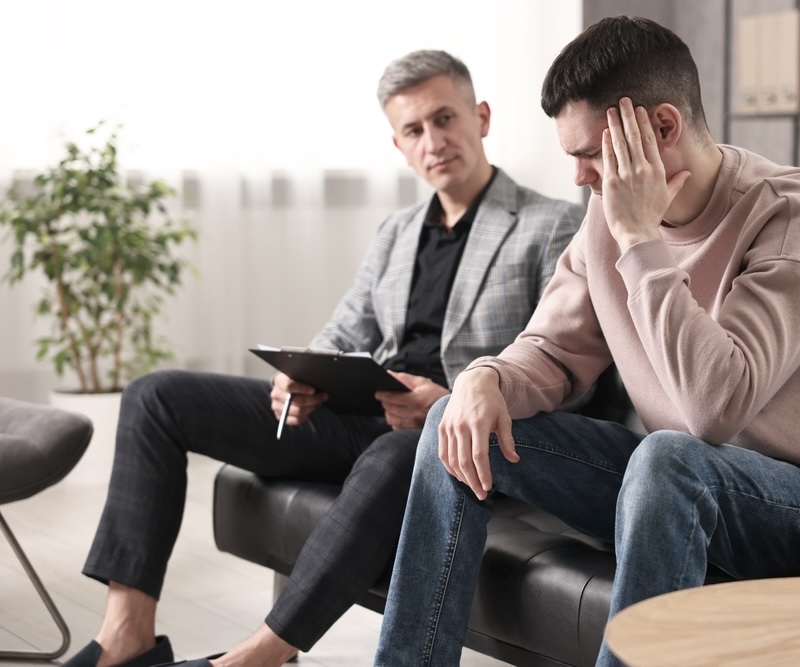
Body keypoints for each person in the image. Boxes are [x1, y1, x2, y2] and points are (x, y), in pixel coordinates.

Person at [373, 16, 800, 667]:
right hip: (677, 483)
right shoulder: (607, 216)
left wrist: (639, 240)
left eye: (591, 153)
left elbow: (716, 407)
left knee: (669, 456)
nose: (578, 178)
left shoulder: (795, 214)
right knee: (455, 419)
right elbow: (553, 349)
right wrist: (485, 378)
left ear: (660, 128)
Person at [63, 49, 584, 667]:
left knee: (404, 448)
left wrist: (444, 400)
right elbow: (342, 329)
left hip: (447, 437)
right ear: (399, 144)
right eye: (414, 130)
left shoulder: (550, 225)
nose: (434, 141)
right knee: (156, 395)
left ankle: (257, 656)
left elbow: (560, 364)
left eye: (446, 119)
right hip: (356, 418)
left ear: (482, 117)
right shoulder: (396, 231)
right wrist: (299, 375)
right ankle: (128, 637)